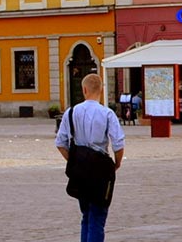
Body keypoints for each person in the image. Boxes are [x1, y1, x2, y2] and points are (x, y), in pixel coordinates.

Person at [54, 71, 124, 242]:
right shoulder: (107, 114)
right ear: (101, 90)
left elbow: (60, 142)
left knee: (86, 214)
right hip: (100, 167)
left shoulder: (71, 112)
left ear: (84, 90)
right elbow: (118, 143)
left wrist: (73, 160)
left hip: (80, 169)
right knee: (97, 216)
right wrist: (116, 163)